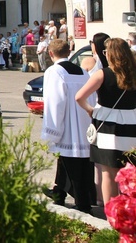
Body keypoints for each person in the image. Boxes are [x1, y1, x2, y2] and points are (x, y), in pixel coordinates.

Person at [75, 38, 136, 205]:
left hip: (107, 126)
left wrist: (90, 110)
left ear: (111, 54)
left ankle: (112, 216)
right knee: (130, 173)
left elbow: (79, 97)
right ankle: (130, 213)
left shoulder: (103, 74)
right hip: (132, 125)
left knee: (108, 173)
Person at [41, 39, 96, 213]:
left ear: (51, 54)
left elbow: (54, 102)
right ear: (68, 52)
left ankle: (83, 205)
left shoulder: (54, 71)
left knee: (73, 166)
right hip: (83, 123)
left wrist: (52, 131)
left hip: (67, 126)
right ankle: (59, 194)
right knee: (74, 163)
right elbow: (92, 98)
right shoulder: (82, 71)